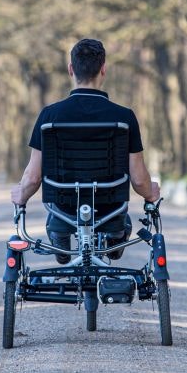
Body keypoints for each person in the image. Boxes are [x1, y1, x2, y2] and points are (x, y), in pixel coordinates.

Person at [11, 38, 160, 264]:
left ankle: (59, 230)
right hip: (110, 205)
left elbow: (33, 177)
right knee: (120, 219)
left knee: (59, 215)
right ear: (103, 70)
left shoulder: (49, 116)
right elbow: (139, 180)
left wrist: (20, 196)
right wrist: (151, 193)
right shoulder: (124, 117)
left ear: (71, 69)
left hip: (64, 205)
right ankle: (114, 236)